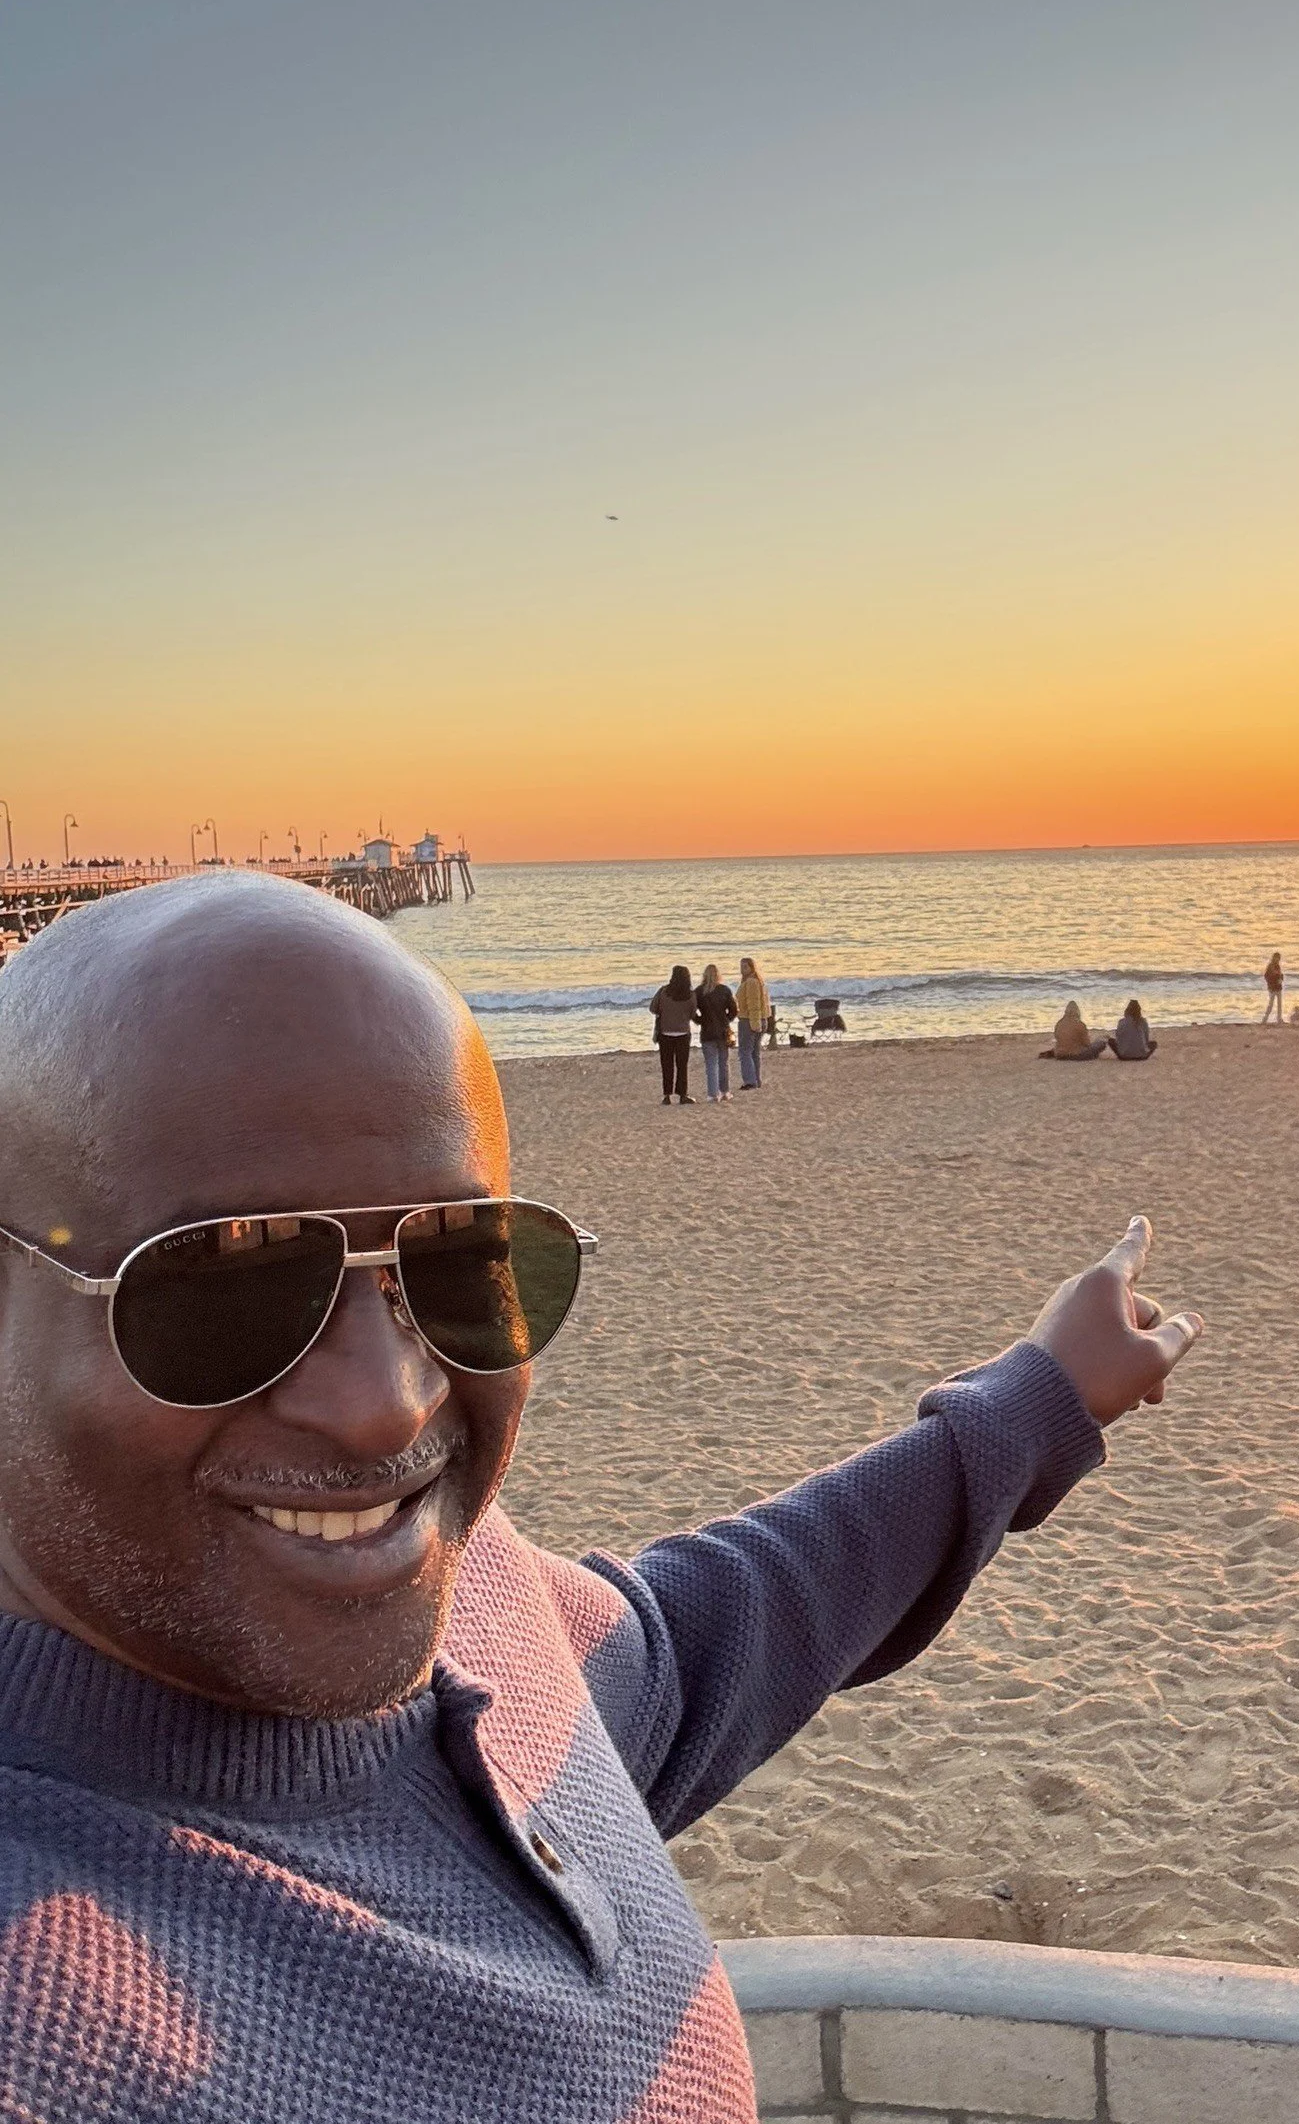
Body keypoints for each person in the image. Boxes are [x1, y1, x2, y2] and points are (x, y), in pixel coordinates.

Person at [0, 874, 1203, 2121]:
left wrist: (1038, 1403)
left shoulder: (455, 1598)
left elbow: (692, 1648)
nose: (387, 1401)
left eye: (460, 1259)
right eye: (224, 1281)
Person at [649, 963, 698, 1104]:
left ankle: (667, 1096)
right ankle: (683, 1094)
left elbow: (653, 1008)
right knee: (682, 1065)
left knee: (667, 1065)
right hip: (683, 1032)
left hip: (665, 1032)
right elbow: (692, 1013)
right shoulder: (690, 995)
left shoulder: (664, 991)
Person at [696, 963, 737, 1102]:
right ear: (718, 975)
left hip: (707, 1030)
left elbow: (691, 1010)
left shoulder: (699, 991)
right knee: (723, 1062)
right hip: (722, 1030)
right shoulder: (724, 990)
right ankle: (725, 1091)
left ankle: (713, 1094)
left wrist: (700, 1020)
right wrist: (727, 1020)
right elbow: (734, 1010)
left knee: (711, 1064)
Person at [734, 955, 769, 1090]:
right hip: (757, 1019)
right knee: (754, 1052)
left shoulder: (751, 982)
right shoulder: (756, 981)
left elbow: (754, 1004)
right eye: (741, 967)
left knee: (745, 1052)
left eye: (745, 966)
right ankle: (756, 1080)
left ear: (751, 967)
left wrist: (755, 1023)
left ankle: (750, 1081)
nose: (742, 969)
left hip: (749, 1020)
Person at [1261, 953, 1284, 1025]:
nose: (1277, 959)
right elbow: (1266, 976)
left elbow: (1280, 975)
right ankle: (1264, 1019)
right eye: (1276, 958)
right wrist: (1270, 984)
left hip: (1278, 987)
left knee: (1279, 1004)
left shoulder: (1278, 966)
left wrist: (1281, 979)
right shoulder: (1270, 966)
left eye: (1278, 958)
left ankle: (1279, 1019)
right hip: (1272, 988)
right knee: (1270, 1005)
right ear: (1274, 958)